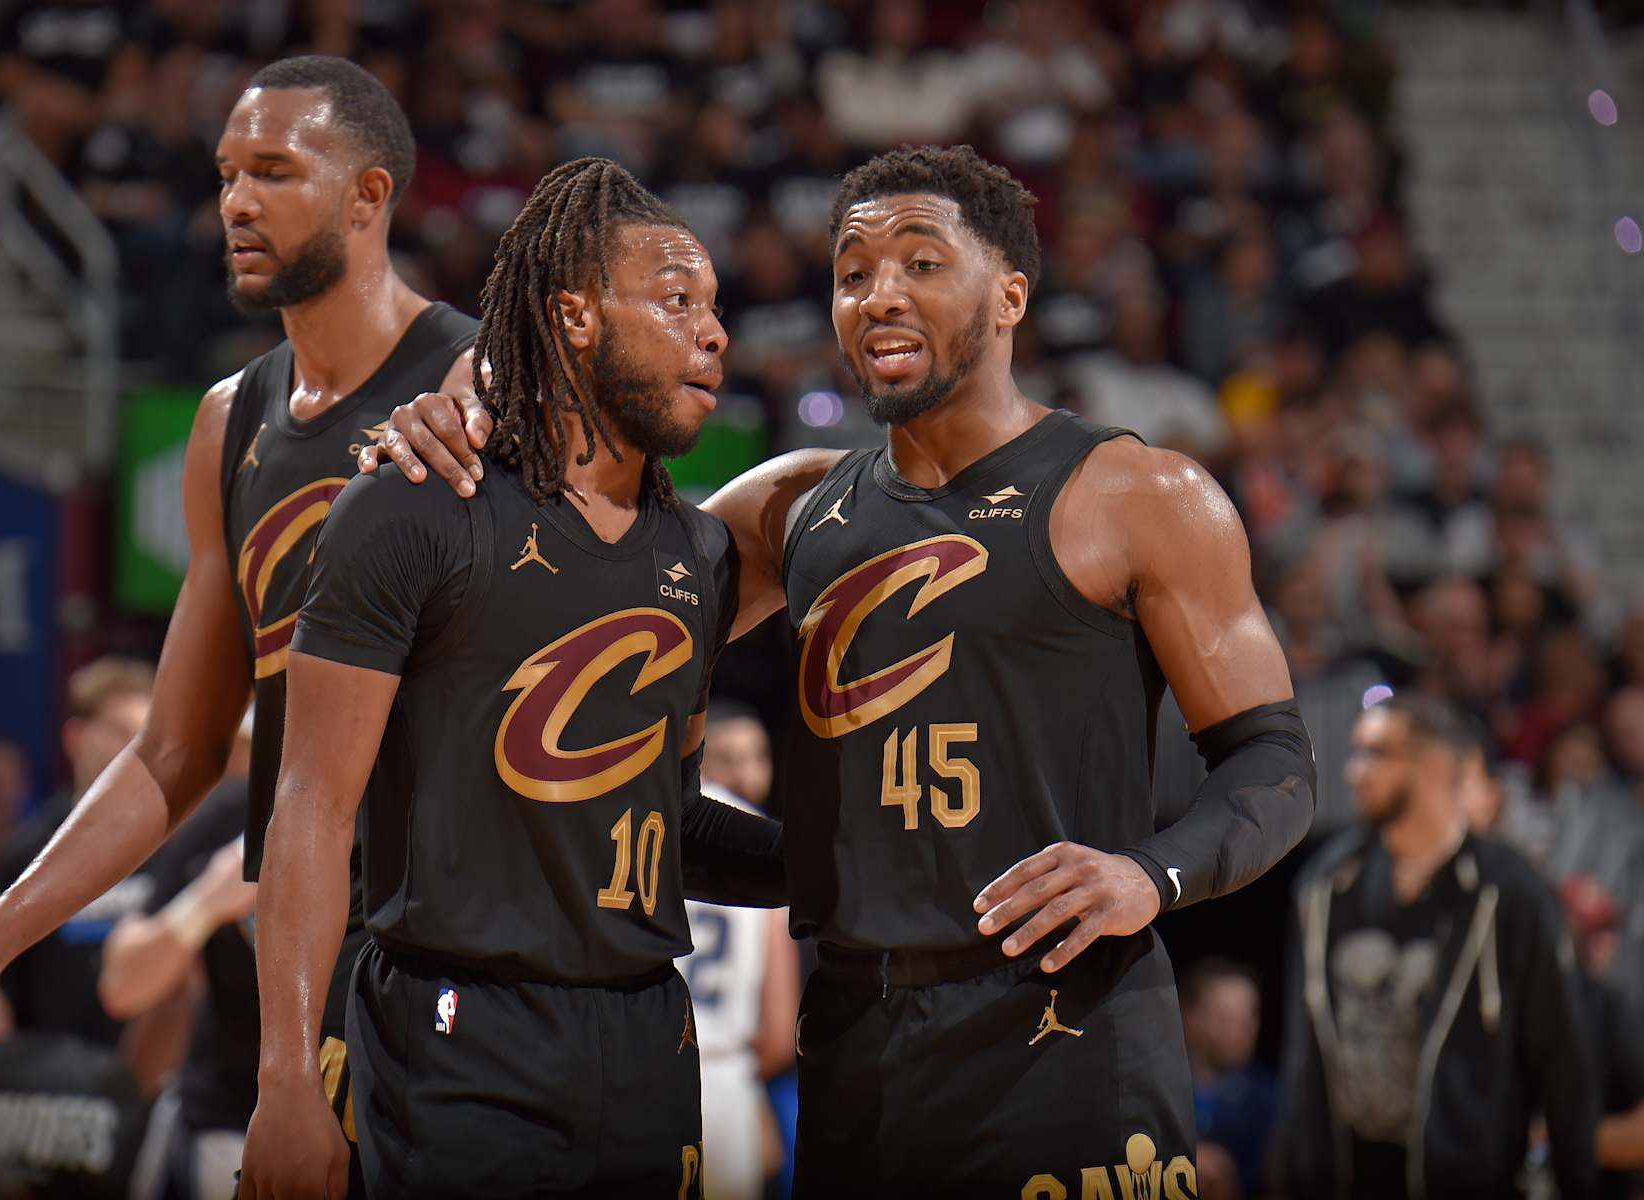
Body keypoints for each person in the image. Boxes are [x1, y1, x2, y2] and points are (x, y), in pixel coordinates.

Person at [372, 143, 1316, 1196]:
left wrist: (1150, 873)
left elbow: (1275, 763)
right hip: (857, 1039)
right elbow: (574, 579)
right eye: (853, 272)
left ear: (1010, 295)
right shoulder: (785, 511)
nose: (879, 295)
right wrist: (460, 402)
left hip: (1068, 1033)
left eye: (921, 262)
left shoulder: (1139, 494)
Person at [0, 57, 488, 1200]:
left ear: (369, 195)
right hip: (304, 950)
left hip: (469, 949)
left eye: (274, 171)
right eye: (225, 174)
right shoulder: (231, 421)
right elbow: (174, 749)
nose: (236, 203)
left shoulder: (478, 382)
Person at [241, 157, 785, 1199]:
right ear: (575, 316)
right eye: (678, 302)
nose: (714, 334)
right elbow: (309, 805)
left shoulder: (701, 555)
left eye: (716, 308)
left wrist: (846, 867)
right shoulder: (413, 506)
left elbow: (670, 822)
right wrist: (288, 1080)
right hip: (457, 1032)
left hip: (650, 1037)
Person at [1272, 692, 1595, 1199]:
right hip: (1345, 1177)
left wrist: (1577, 1182)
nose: (1355, 771)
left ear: (1436, 766)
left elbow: (1562, 1061)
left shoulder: (1511, 891)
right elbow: (1302, 1056)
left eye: (1376, 753)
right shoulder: (1325, 883)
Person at [101, 707, 258, 1200]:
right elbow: (122, 985)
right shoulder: (230, 815)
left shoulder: (399, 813)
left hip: (373, 1127)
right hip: (226, 1128)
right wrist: (206, 903)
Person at [0, 655, 156, 1049]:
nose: (134, 748)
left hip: (145, 1070)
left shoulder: (174, 844)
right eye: (120, 731)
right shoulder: (26, 852)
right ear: (75, 738)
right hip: (50, 1069)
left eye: (144, 734)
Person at [677, 703, 799, 1200]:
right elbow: (777, 1033)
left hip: (649, 1071)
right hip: (727, 1078)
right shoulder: (766, 850)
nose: (747, 774)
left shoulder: (645, 828)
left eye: (758, 757)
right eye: (731, 758)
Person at [1179, 958, 1277, 1198]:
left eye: (1247, 1019)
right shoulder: (1157, 1090)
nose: (1238, 1032)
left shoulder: (1269, 1098)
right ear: (1189, 1016)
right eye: (1225, 1019)